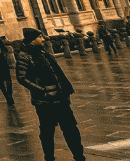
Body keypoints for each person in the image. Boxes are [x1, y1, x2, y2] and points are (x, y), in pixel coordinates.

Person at [16, 28, 85, 161]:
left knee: (71, 129)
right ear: (32, 39)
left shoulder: (42, 52)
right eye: (40, 37)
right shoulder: (24, 56)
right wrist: (41, 90)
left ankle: (79, 156)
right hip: (44, 102)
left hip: (60, 98)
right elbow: (21, 77)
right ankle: (49, 157)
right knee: (47, 132)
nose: (43, 39)